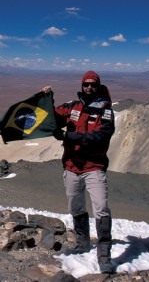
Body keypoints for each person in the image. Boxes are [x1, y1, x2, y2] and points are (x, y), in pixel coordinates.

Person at [52, 70, 115, 274]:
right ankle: (82, 243)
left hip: (94, 167)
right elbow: (53, 117)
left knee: (101, 208)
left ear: (98, 86)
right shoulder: (73, 107)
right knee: (76, 206)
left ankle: (104, 255)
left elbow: (100, 137)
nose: (89, 87)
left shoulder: (105, 111)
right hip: (71, 167)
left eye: (93, 84)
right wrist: (46, 99)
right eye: (86, 84)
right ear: (81, 86)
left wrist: (69, 137)